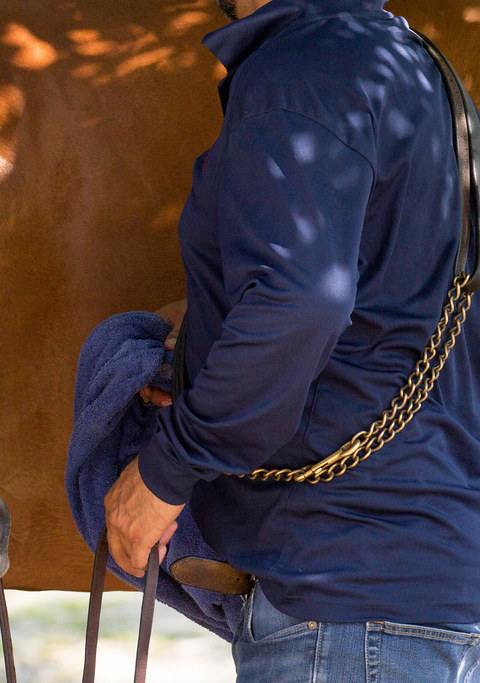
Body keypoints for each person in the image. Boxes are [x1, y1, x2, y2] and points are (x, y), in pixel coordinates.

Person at [104, 0, 480, 680]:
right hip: (433, 595)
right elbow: (393, 313)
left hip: (341, 610)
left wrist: (167, 469)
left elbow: (300, 300)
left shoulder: (296, 74)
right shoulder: (422, 72)